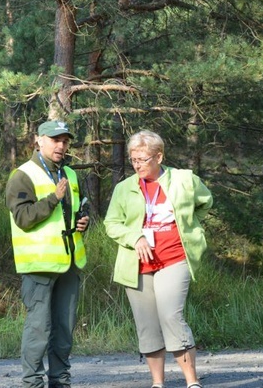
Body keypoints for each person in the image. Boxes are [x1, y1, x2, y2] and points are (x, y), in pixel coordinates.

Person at [103, 130, 213, 388]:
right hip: (137, 265)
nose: (137, 164)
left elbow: (205, 202)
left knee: (170, 315)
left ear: (159, 156)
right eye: (133, 159)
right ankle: (157, 383)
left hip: (174, 258)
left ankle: (192, 382)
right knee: (148, 325)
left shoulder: (185, 180)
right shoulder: (124, 188)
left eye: (142, 159)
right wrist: (135, 237)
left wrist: (189, 225)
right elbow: (111, 224)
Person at [6, 120, 90, 388]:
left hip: (69, 264)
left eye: (65, 141)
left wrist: (84, 220)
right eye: (55, 139)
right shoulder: (23, 175)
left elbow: (82, 208)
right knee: (38, 330)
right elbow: (23, 217)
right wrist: (53, 198)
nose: (61, 145)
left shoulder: (71, 174)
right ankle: (32, 384)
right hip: (39, 266)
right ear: (38, 140)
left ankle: (60, 382)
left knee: (64, 331)